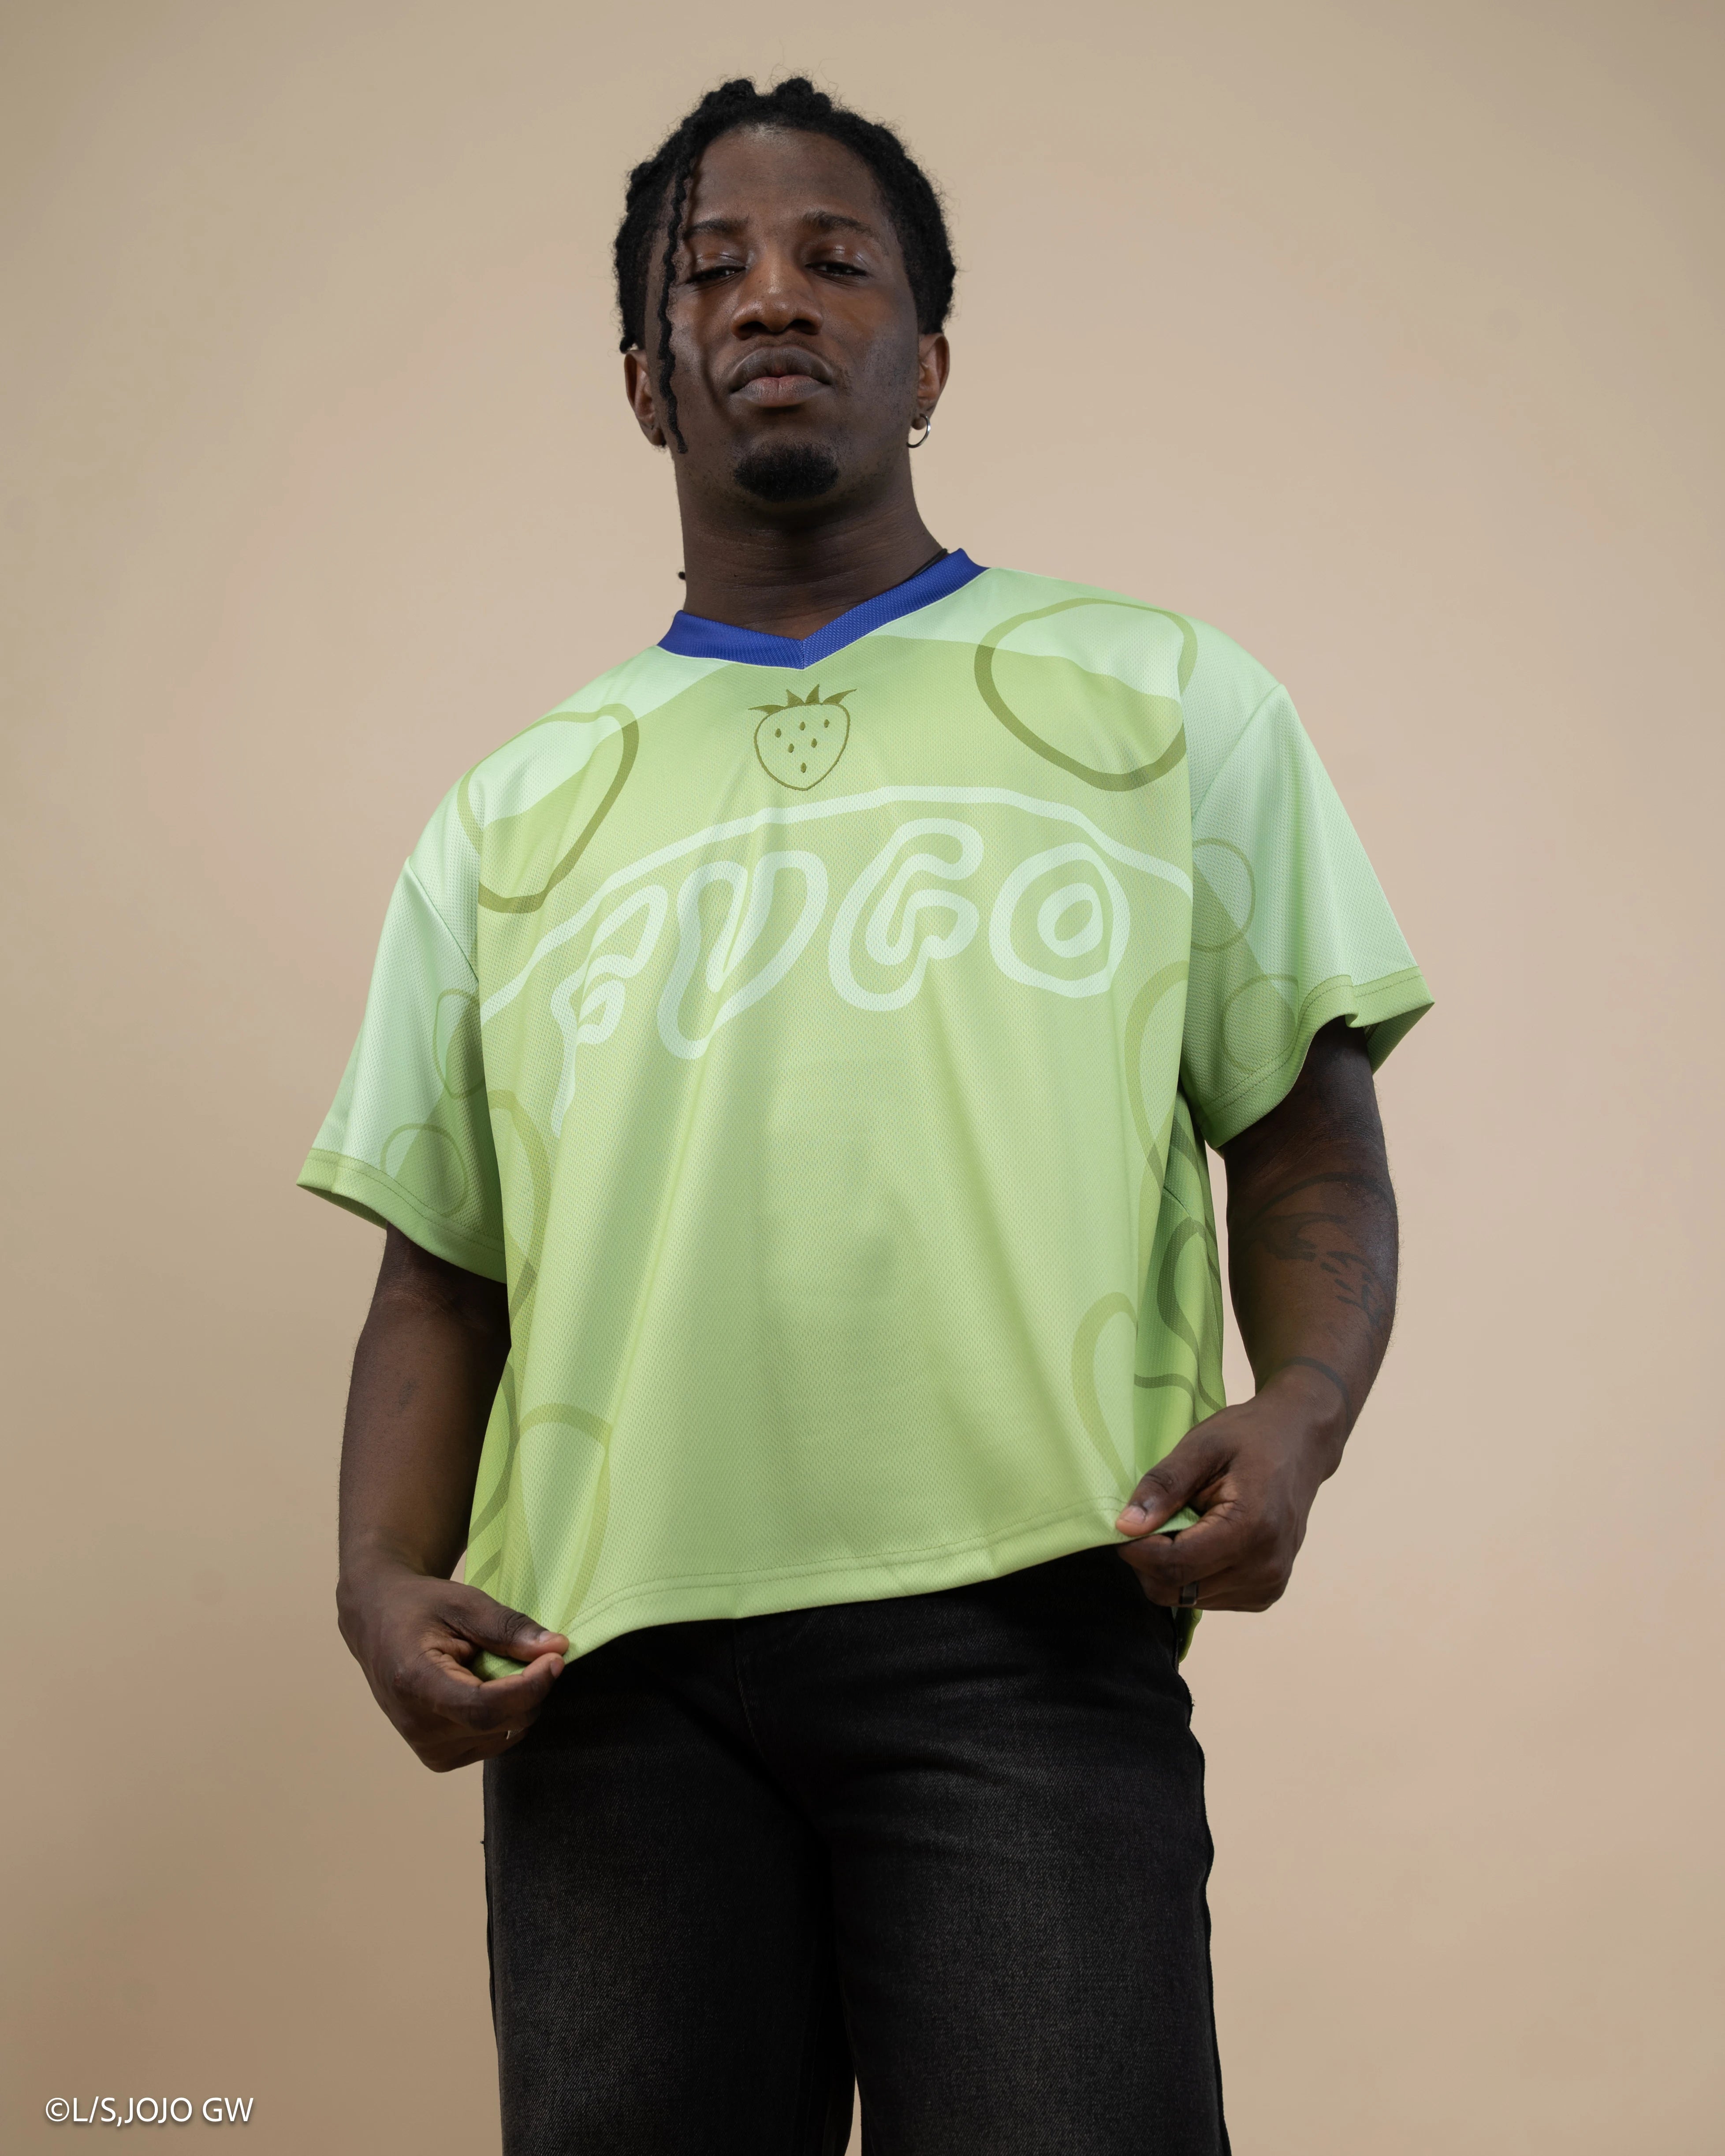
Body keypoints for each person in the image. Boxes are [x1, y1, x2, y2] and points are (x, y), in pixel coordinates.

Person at [301, 75, 1431, 2156]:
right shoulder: (502, 819)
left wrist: (1303, 1409)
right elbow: (441, 1269)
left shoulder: (1164, 698)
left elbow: (1299, 1127)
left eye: (835, 260)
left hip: (1029, 1625)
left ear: (928, 360)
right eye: (709, 271)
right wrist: (377, 1569)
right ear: (642, 381)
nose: (771, 297)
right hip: (602, 1670)